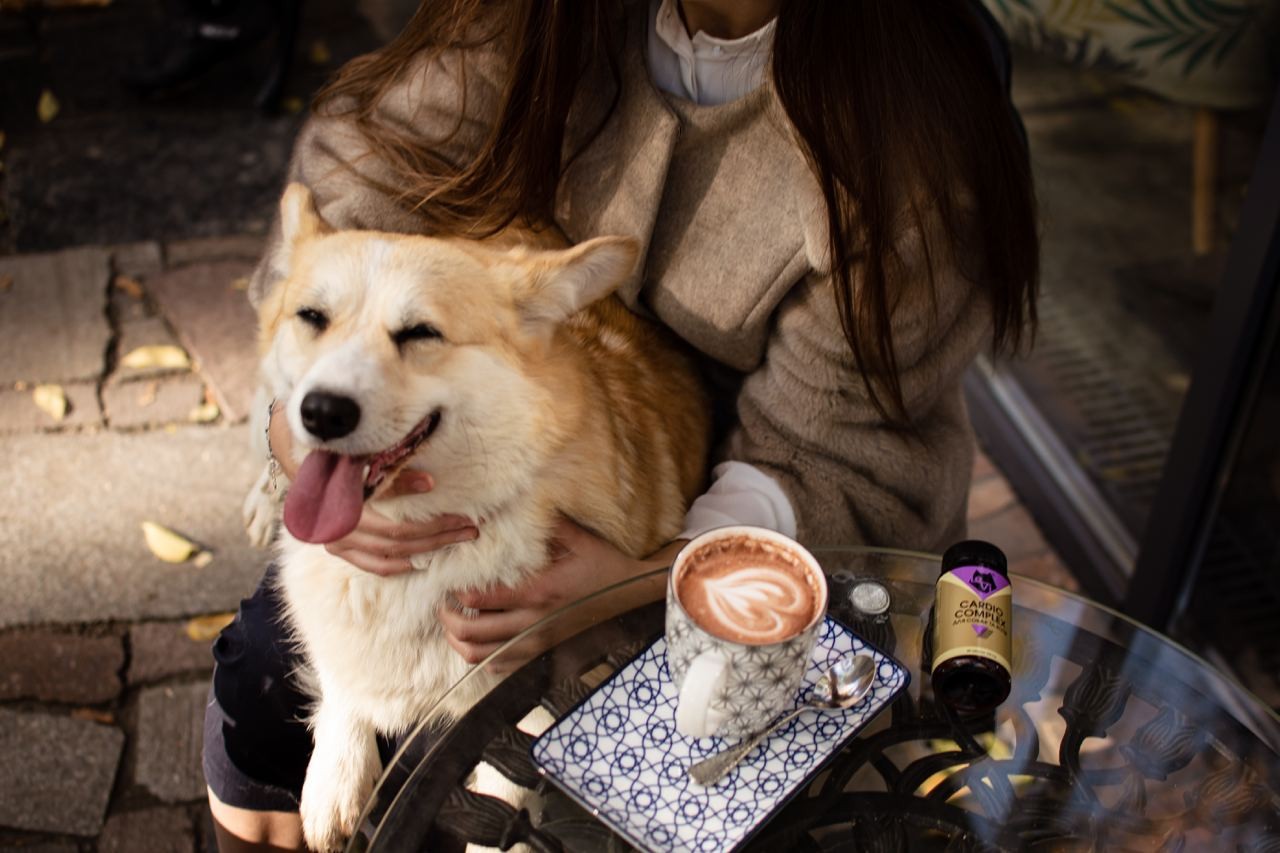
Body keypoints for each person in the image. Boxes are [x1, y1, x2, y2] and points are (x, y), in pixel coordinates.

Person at [204, 0, 1039, 849]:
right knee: (262, 675)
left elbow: (837, 444)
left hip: (780, 498)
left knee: (634, 789)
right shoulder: (525, 17)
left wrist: (646, 578)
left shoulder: (911, 149)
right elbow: (358, 184)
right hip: (538, 391)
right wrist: (299, 423)